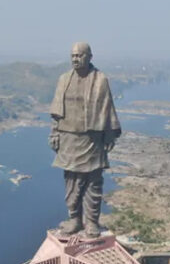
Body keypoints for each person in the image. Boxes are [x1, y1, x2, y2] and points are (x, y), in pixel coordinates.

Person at [48, 42, 121, 238]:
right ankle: (74, 219)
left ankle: (91, 222)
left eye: (79, 55)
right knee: (71, 183)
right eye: (72, 56)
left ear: (89, 57)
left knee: (93, 183)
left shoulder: (100, 79)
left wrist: (109, 133)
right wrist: (55, 133)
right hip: (69, 137)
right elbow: (56, 113)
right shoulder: (64, 80)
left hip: (92, 138)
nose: (75, 59)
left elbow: (107, 107)